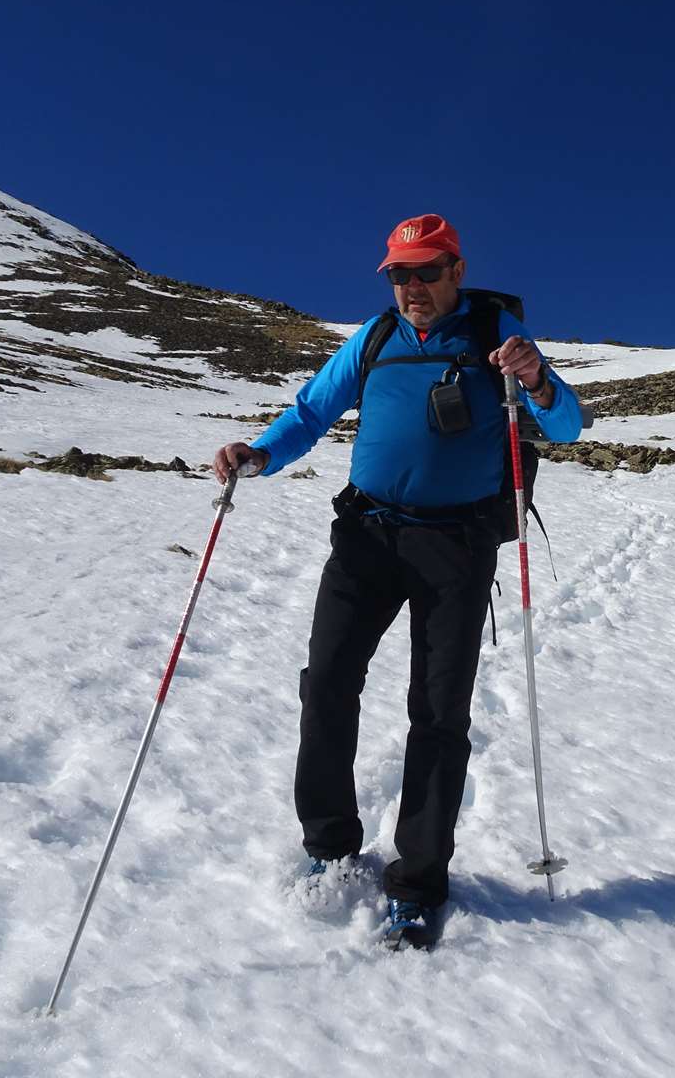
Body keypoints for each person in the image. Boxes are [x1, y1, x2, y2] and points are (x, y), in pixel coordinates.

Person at [212, 213, 583, 948]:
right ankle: (328, 843)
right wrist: (259, 455)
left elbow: (568, 425)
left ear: (456, 271)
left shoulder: (497, 337)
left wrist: (537, 380)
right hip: (367, 535)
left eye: (425, 271)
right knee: (326, 683)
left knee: (438, 712)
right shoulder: (375, 339)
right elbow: (311, 411)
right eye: (399, 274)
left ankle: (417, 882)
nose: (411, 286)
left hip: (457, 546)